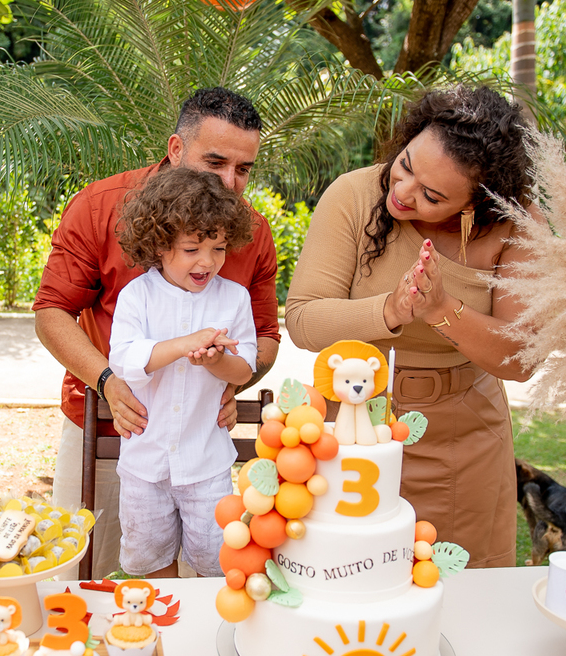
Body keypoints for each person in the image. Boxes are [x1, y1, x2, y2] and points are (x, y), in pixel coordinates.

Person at [284, 85, 537, 569]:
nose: (402, 192)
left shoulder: (515, 224)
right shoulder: (354, 195)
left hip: (463, 440)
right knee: (349, 576)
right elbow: (303, 319)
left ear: (475, 206)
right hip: (353, 428)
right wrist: (392, 309)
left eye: (431, 195)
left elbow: (520, 359)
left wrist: (440, 308)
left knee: (459, 586)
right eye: (405, 165)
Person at [33, 87, 281, 579]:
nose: (230, 182)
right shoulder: (100, 206)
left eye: (244, 169)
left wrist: (232, 381)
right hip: (111, 429)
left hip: (202, 449)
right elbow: (51, 312)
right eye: (216, 162)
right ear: (176, 148)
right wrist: (107, 381)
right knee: (90, 575)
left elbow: (266, 337)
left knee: (208, 577)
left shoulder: (253, 231)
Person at [109, 167, 257, 579]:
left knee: (216, 564)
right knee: (152, 564)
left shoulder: (234, 299)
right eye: (192, 249)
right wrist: (184, 344)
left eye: (219, 248)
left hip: (206, 465)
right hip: (145, 467)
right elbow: (123, 359)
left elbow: (244, 367)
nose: (207, 261)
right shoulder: (137, 296)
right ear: (160, 244)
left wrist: (215, 361)